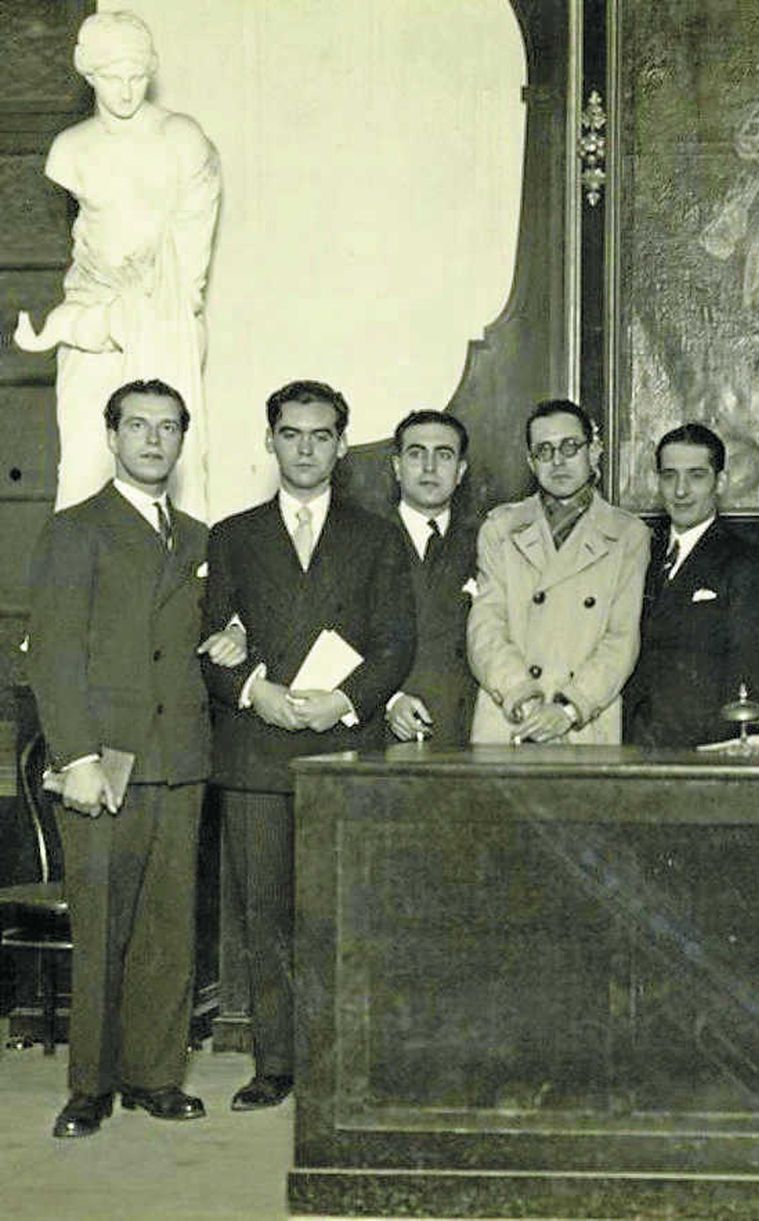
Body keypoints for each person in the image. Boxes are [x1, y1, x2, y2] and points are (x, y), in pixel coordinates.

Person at [25, 378, 241, 1138]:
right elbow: (52, 652)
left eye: (169, 427)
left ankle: (155, 1075)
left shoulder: (199, 535)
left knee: (168, 928)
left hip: (180, 755)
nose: (154, 439)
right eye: (139, 426)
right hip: (104, 758)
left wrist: (233, 641)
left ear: (183, 441)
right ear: (111, 436)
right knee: (103, 925)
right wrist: (76, 755)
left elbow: (211, 638)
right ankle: (89, 1085)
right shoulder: (76, 529)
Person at [202, 380, 415, 1111]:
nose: (305, 447)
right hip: (255, 752)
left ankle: (341, 1061)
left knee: (343, 914)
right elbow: (208, 643)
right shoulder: (230, 535)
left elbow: (396, 645)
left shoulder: (377, 536)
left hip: (343, 753)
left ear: (342, 445)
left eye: (321, 435)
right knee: (266, 916)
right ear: (270, 440)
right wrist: (252, 690)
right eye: (291, 433)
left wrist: (343, 703)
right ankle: (277, 1063)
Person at [14, 11, 220, 519]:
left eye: (137, 77)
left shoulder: (182, 140)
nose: (126, 91)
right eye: (112, 78)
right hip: (92, 317)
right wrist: (96, 319)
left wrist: (138, 312)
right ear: (88, 74)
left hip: (162, 321)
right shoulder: (70, 150)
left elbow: (188, 261)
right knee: (85, 468)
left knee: (167, 464)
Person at [467, 399, 648, 745]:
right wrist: (524, 697)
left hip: (583, 724)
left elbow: (622, 638)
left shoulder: (627, 533)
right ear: (530, 462)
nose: (558, 461)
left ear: (594, 451)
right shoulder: (501, 527)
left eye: (569, 447)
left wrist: (568, 709)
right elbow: (485, 625)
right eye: (544, 451)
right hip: (511, 718)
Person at [623, 423, 759, 746]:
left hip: (701, 750)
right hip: (634, 746)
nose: (680, 491)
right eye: (669, 476)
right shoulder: (640, 553)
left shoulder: (744, 561)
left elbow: (749, 670)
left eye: (696, 475)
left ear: (720, 482)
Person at [383, 410, 479, 748]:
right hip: (384, 731)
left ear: (460, 472)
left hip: (465, 733)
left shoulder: (487, 543)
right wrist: (390, 700)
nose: (429, 467)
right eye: (416, 453)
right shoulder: (363, 541)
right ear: (397, 467)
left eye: (444, 454)